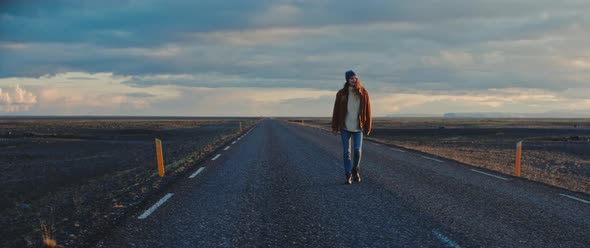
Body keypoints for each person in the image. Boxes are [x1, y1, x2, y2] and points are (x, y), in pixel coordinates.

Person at [331, 70, 372, 184]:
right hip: (345, 127)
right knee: (346, 152)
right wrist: (335, 126)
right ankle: (348, 174)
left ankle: (355, 169)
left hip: (358, 127)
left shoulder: (363, 92)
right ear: (347, 80)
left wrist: (368, 126)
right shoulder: (341, 93)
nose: (353, 80)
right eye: (351, 78)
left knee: (357, 151)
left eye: (355, 78)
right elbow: (336, 111)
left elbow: (368, 111)